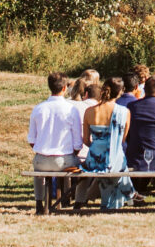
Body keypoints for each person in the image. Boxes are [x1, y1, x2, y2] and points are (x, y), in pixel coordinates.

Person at [27, 72, 86, 215]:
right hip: (64, 159)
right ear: (65, 88)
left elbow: (31, 140)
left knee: (38, 169)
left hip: (42, 159)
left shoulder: (39, 108)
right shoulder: (71, 110)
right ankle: (75, 201)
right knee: (83, 169)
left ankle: (39, 202)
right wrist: (74, 152)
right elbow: (78, 142)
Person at [79, 75, 133, 211]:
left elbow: (85, 139)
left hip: (94, 159)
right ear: (120, 92)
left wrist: (97, 147)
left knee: (115, 165)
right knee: (118, 163)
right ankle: (128, 197)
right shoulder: (124, 112)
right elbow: (122, 139)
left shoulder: (90, 111)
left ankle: (127, 197)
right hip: (114, 157)